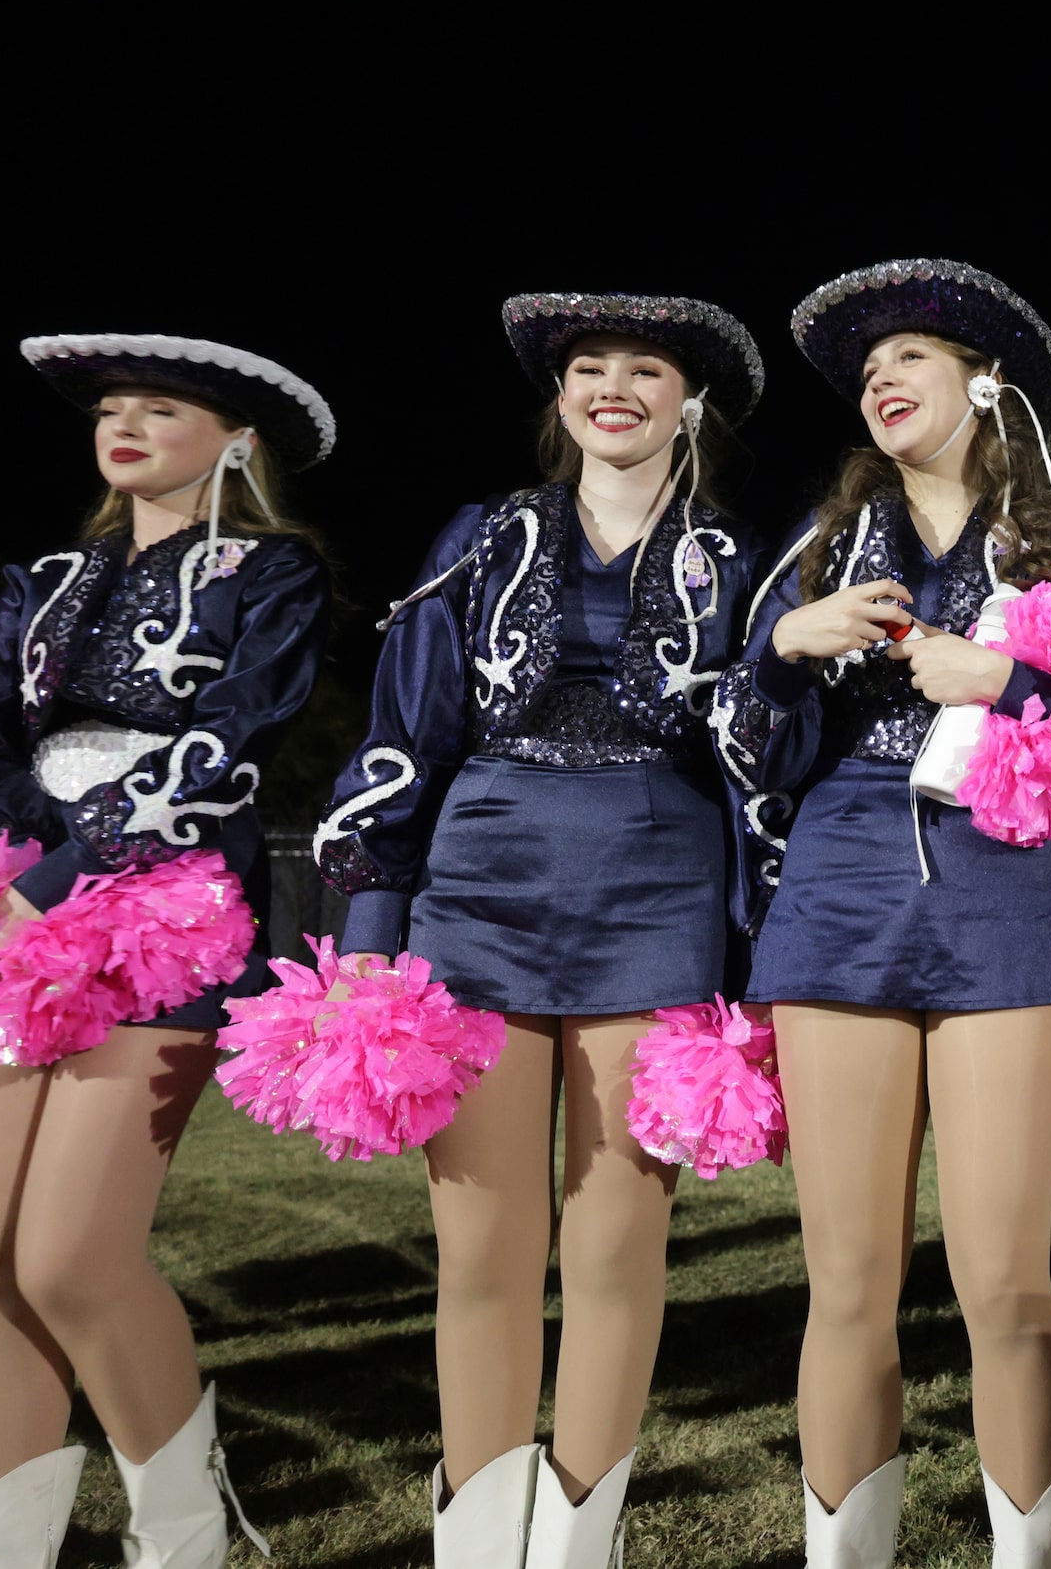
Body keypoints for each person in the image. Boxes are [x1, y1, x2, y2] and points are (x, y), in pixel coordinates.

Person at [711, 258, 1051, 1569]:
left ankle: (1040, 1554)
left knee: (1004, 1284)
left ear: (984, 382)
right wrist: (780, 650)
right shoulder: (813, 552)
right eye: (868, 370)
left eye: (906, 356)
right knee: (849, 1287)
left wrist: (1010, 675)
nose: (879, 380)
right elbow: (744, 753)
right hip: (840, 889)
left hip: (1007, 896)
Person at [313, 293, 767, 1568]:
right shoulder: (482, 533)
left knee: (616, 1245)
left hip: (660, 898)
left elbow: (759, 761)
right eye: (586, 367)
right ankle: (472, 1541)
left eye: (643, 368)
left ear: (692, 401)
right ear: (558, 395)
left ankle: (579, 1543)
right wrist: (370, 929)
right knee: (483, 1248)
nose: (610, 387)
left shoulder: (744, 555)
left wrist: (753, 947)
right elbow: (405, 728)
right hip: (478, 894)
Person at [0, 333, 335, 1568]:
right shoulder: (51, 578)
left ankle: (185, 1534)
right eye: (110, 409)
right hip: (13, 907)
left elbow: (236, 740)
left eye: (159, 407)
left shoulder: (273, 574)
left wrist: (71, 874)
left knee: (71, 1258)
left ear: (235, 439)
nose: (122, 424)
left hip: (165, 908)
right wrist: (11, 869)